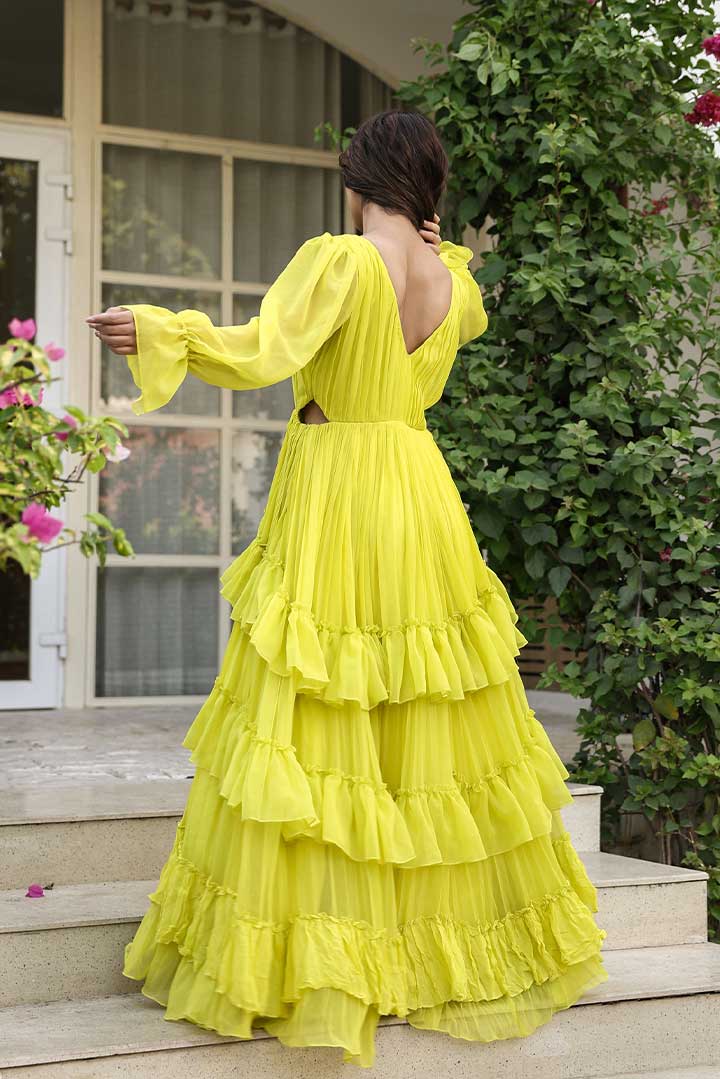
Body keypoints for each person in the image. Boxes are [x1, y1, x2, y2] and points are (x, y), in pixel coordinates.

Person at [86, 109, 608, 1069]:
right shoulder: (449, 280)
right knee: (419, 721)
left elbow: (261, 350)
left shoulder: (343, 260)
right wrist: (429, 243)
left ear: (362, 176)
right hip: (415, 488)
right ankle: (424, 951)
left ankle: (322, 961)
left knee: (320, 715)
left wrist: (165, 331)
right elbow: (446, 299)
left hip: (337, 492)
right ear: (427, 191)